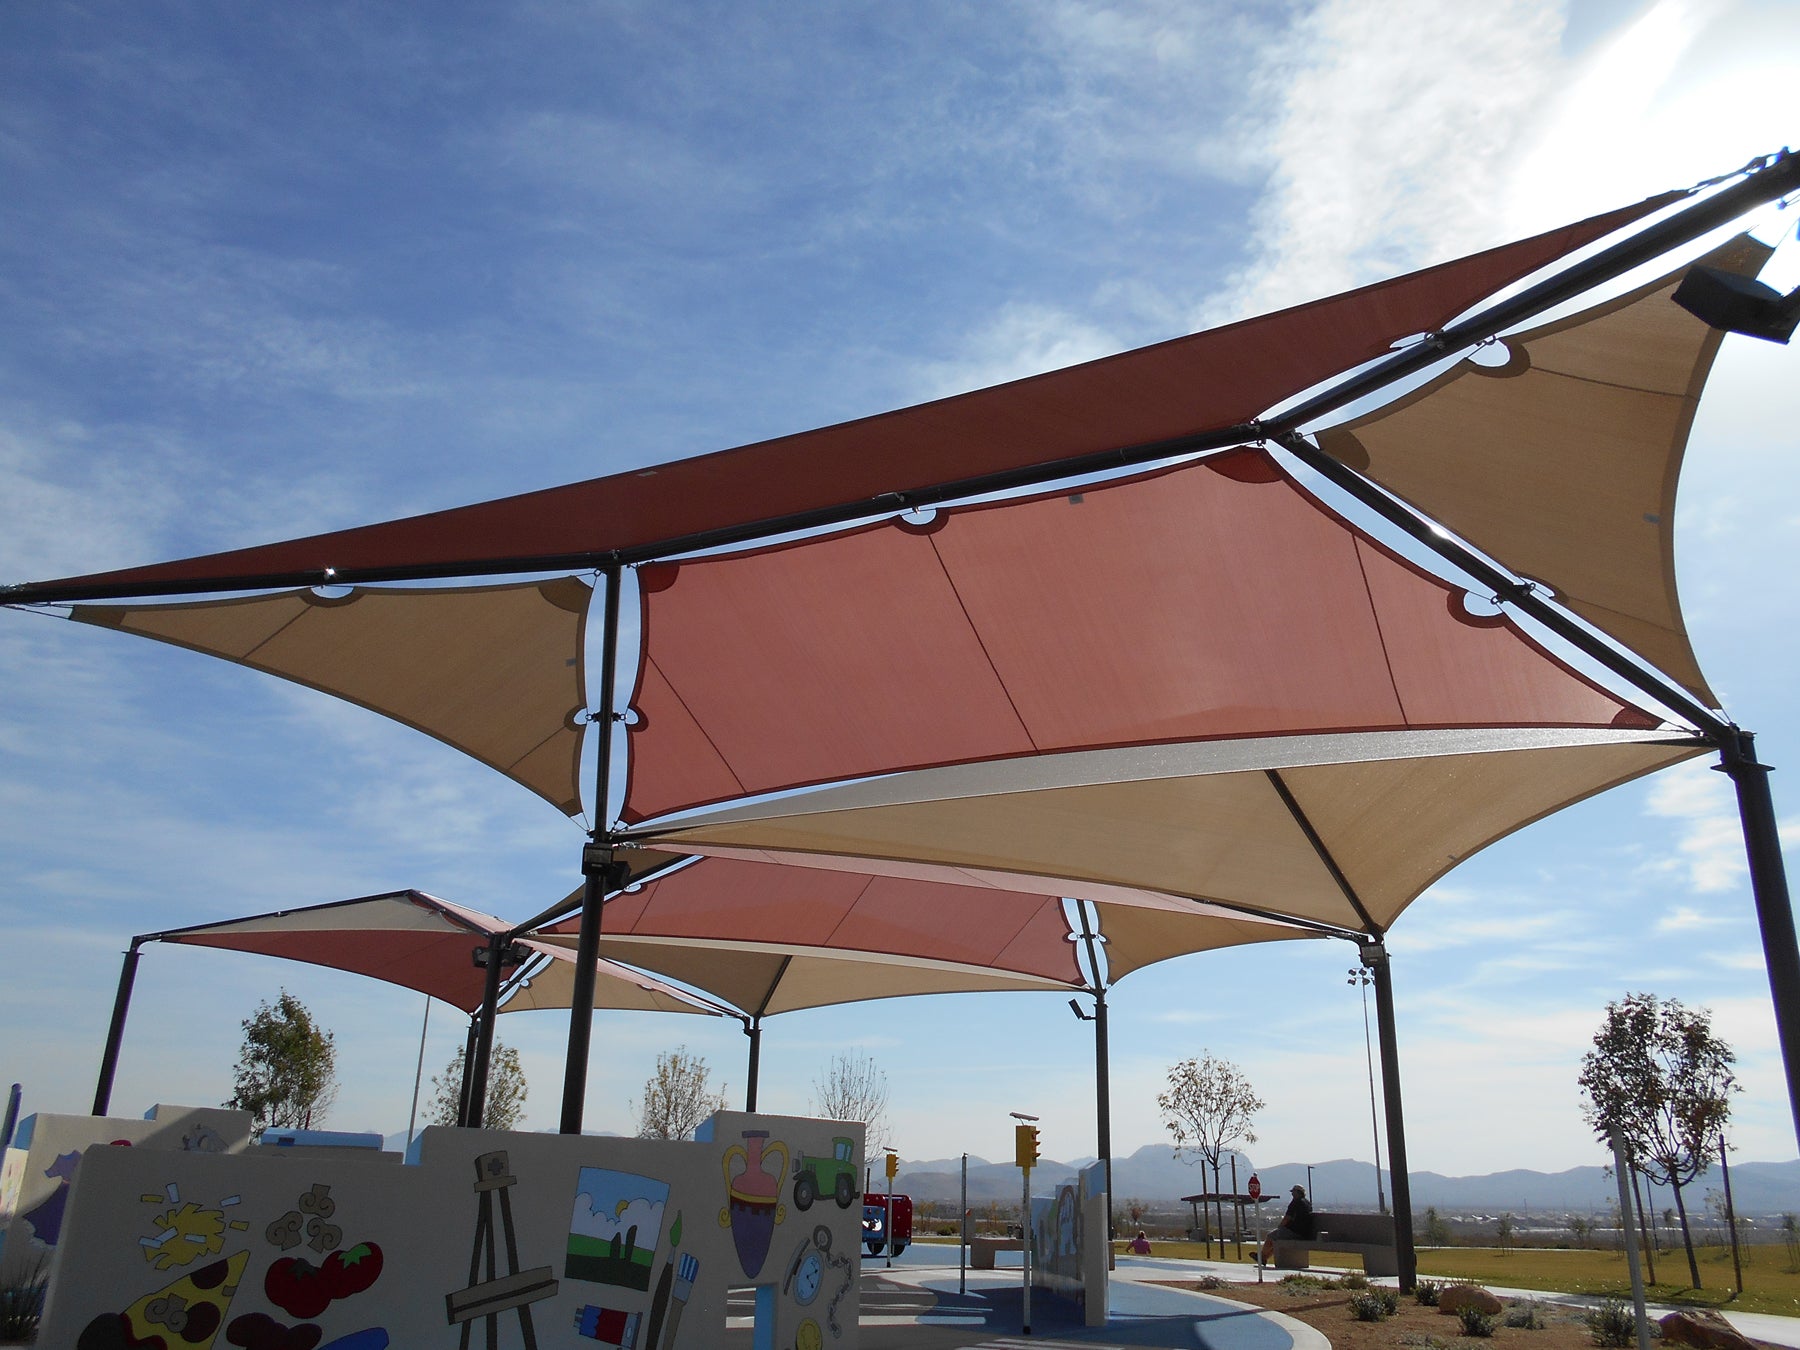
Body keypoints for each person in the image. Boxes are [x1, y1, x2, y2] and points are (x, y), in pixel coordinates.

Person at [1258, 1185, 1315, 1267]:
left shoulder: (1296, 1202)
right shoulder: (1307, 1203)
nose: (1292, 1194)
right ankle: (1264, 1257)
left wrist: (1280, 1227)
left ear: (1298, 1192)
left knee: (1271, 1236)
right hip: (1305, 1233)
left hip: (1294, 1232)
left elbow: (1287, 1218)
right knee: (1277, 1240)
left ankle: (1262, 1257)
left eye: (1293, 1192)